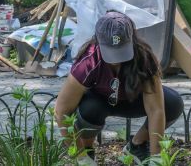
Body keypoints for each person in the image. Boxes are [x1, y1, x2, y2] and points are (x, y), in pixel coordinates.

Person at [54, 11, 184, 165]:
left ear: (131, 40)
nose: (115, 59)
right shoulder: (88, 62)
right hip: (99, 104)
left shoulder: (144, 58)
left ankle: (137, 145)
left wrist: (157, 157)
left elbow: (156, 109)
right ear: (98, 41)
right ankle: (87, 150)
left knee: (172, 102)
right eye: (110, 51)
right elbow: (61, 111)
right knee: (89, 108)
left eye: (121, 50)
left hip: (133, 100)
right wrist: (79, 157)